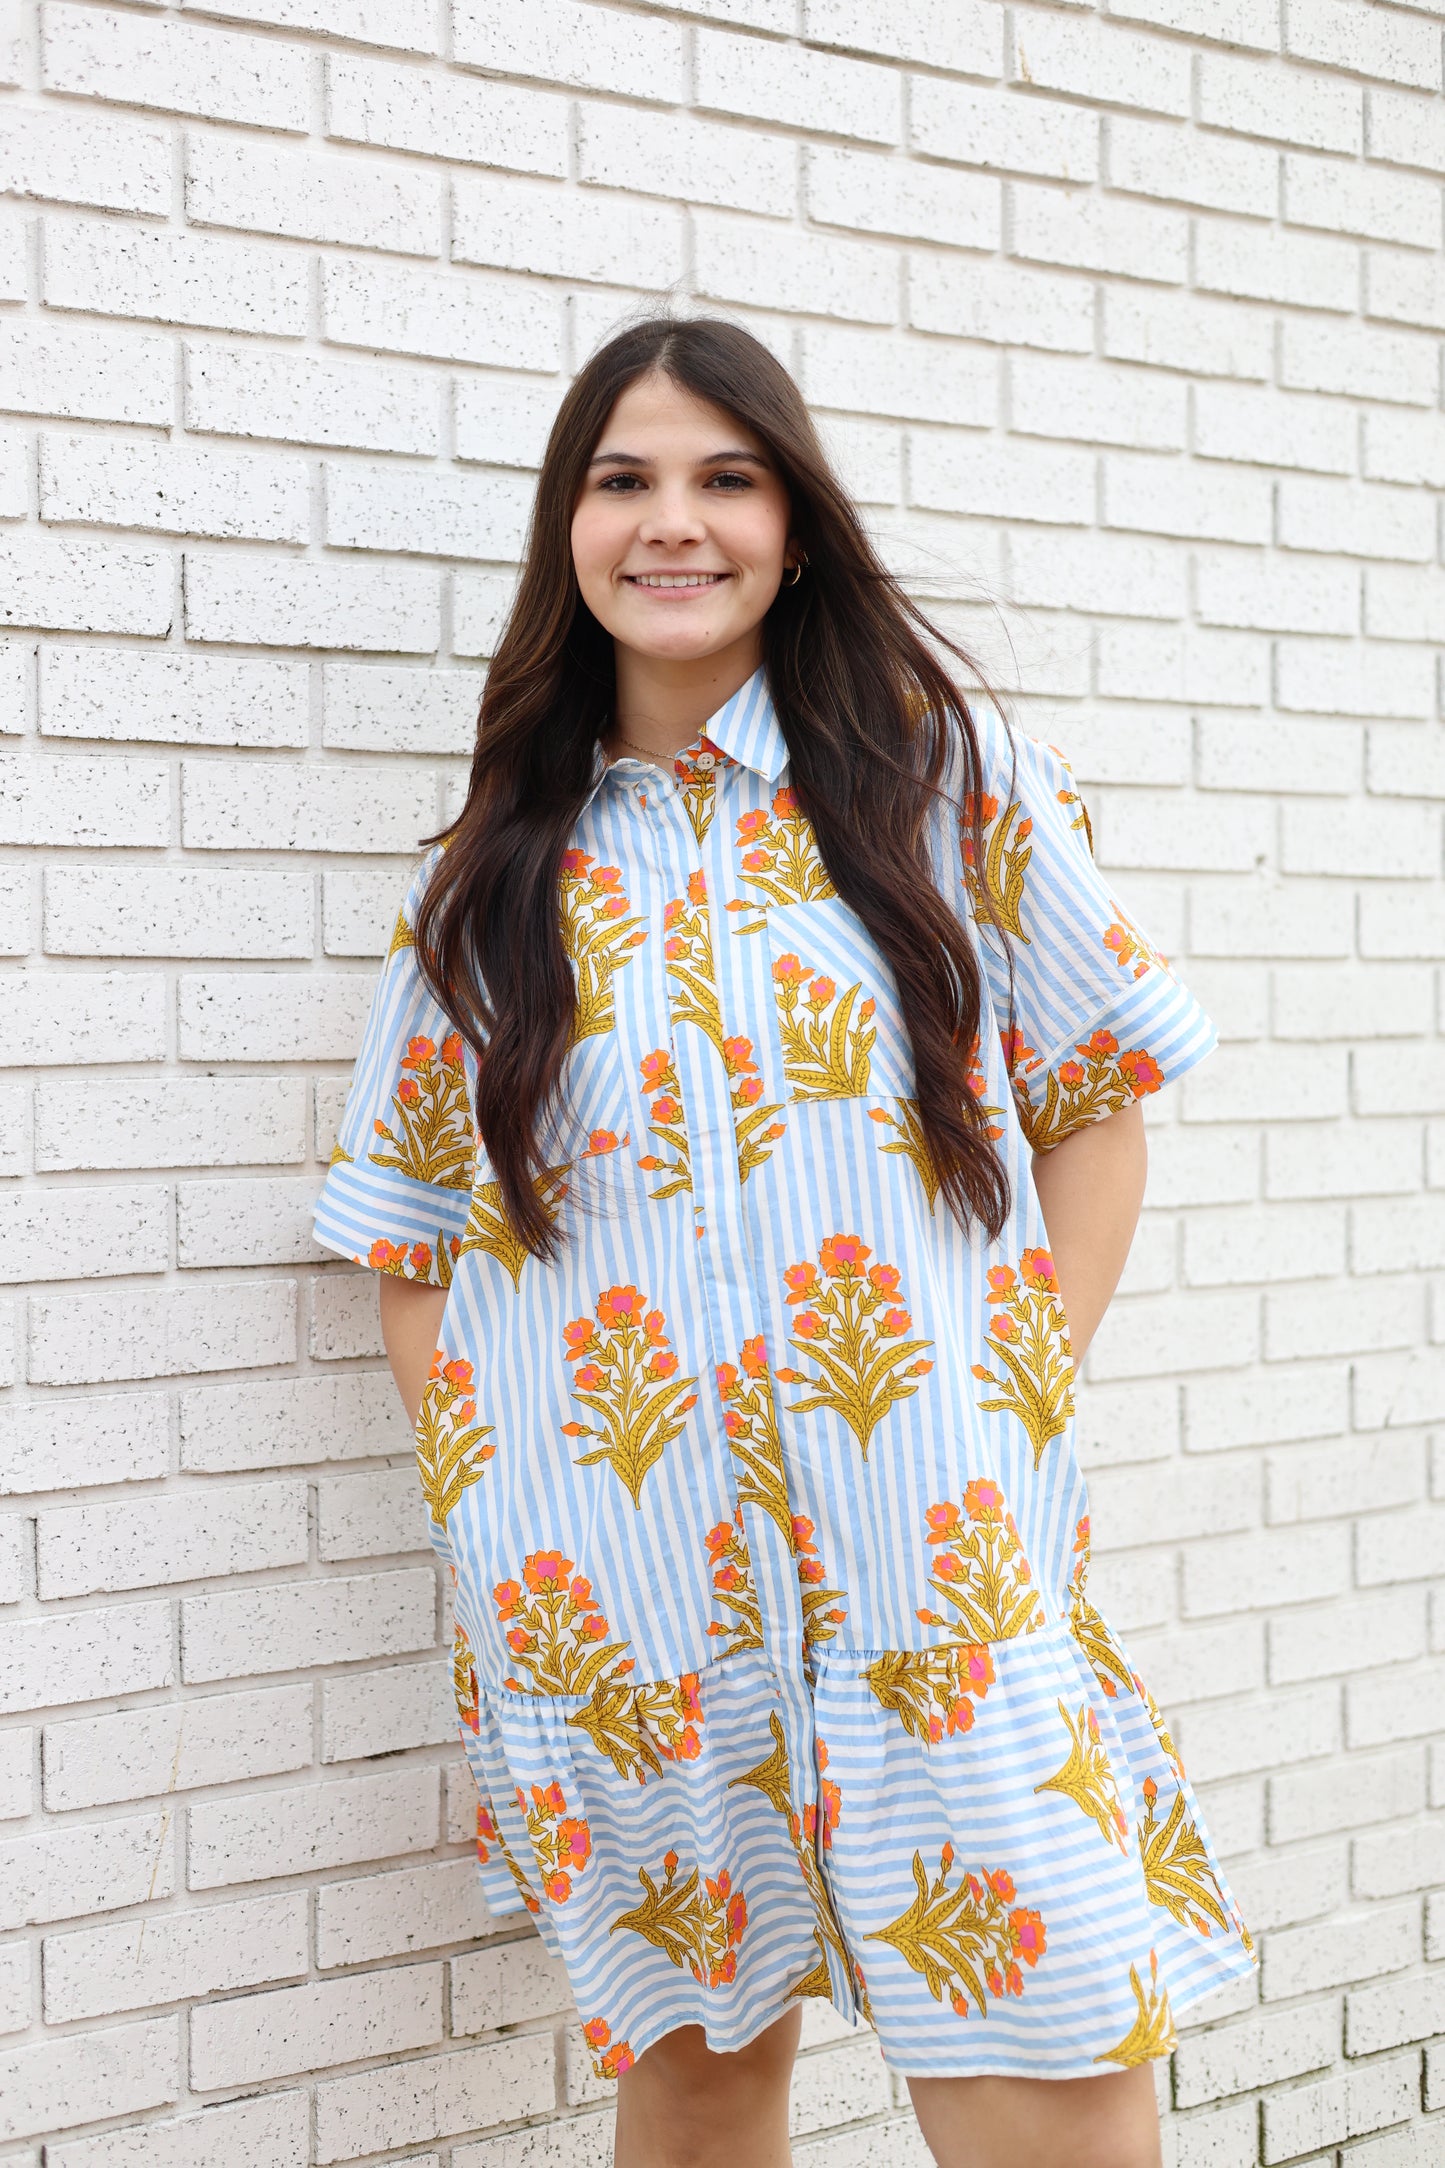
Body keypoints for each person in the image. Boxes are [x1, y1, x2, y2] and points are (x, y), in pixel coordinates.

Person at [313, 313, 1255, 2168]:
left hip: (935, 1573)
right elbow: (408, 1233)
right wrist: (497, 1515)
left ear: (795, 523)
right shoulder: (503, 872)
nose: (674, 523)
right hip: (620, 1593)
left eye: (723, 477)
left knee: (1049, 2063)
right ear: (566, 537)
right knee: (697, 2083)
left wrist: (998, 1418)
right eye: (623, 481)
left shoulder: (943, 776)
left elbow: (1097, 1109)